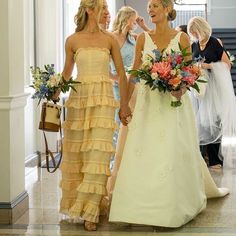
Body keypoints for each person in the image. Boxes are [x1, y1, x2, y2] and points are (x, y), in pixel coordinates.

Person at [109, 0, 229, 228]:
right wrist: (124, 104)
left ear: (166, 9)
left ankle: (171, 205)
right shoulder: (142, 39)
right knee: (145, 150)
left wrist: (180, 87)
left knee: (170, 151)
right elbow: (133, 74)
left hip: (173, 105)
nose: (150, 10)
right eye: (149, 6)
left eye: (155, 5)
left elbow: (188, 72)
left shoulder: (182, 38)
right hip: (147, 105)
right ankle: (138, 204)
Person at [57, 0, 130, 231]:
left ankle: (91, 212)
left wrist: (125, 105)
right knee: (79, 156)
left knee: (98, 155)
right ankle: (83, 205)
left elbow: (120, 72)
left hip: (103, 100)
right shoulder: (72, 40)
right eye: (103, 8)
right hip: (79, 100)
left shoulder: (109, 39)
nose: (107, 13)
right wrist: (52, 90)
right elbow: (67, 73)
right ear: (89, 10)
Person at [107, 6, 149, 198]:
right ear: (125, 19)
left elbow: (154, 42)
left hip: (134, 87)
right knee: (117, 127)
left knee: (132, 127)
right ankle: (114, 169)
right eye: (133, 20)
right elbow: (103, 64)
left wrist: (143, 26)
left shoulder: (134, 38)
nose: (134, 24)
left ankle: (131, 167)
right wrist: (114, 77)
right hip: (116, 86)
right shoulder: (111, 37)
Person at [187, 16, 236, 169]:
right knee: (199, 122)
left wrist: (208, 66)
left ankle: (215, 160)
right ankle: (202, 159)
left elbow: (227, 65)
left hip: (214, 88)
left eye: (194, 32)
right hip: (199, 88)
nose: (193, 35)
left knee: (213, 121)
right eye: (191, 33)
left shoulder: (214, 42)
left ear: (200, 29)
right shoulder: (193, 45)